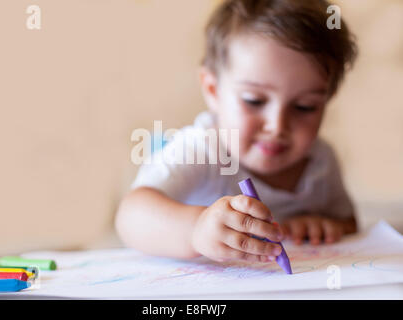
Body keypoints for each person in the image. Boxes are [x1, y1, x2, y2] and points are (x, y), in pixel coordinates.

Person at [116, 0, 358, 264]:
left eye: (304, 107)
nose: (277, 126)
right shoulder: (202, 148)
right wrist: (196, 229)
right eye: (254, 100)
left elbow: (348, 222)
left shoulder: (321, 161)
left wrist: (321, 225)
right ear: (213, 90)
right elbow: (130, 216)